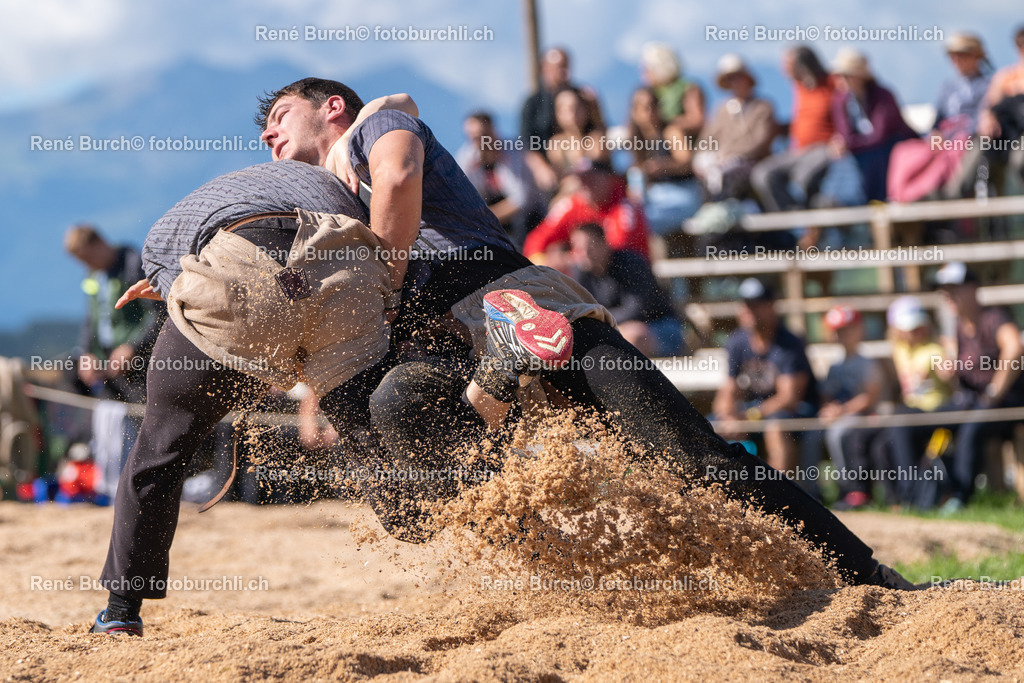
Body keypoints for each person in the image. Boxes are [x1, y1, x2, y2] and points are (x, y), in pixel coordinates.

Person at [90, 158, 586, 636]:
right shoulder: (347, 183)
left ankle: (120, 611)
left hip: (239, 267)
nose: (272, 141)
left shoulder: (193, 209)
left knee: (161, 448)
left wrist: (172, 284)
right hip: (343, 276)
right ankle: (550, 545)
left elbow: (178, 278)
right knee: (405, 480)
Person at [934, 262, 1024, 512]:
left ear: (973, 289)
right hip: (974, 403)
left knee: (971, 428)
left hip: (1007, 404)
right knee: (923, 420)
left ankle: (962, 497)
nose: (948, 296)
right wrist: (948, 369)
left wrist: (994, 392)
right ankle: (918, 495)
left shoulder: (994, 318)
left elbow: (1015, 348)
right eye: (945, 291)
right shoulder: (959, 327)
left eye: (954, 289)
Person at [713, 278, 819, 474]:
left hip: (798, 412)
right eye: (746, 305)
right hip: (755, 412)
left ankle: (780, 497)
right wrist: (727, 416)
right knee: (711, 428)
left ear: (771, 306)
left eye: (756, 305)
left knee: (775, 427)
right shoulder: (737, 341)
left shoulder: (789, 344)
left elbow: (789, 399)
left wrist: (748, 417)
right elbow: (727, 390)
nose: (749, 311)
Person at [869, 296, 953, 507]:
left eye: (918, 326)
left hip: (935, 412)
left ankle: (910, 494)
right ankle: (895, 501)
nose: (916, 331)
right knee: (881, 446)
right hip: (911, 413)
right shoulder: (900, 349)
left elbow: (946, 372)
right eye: (910, 327)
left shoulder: (934, 349)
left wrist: (946, 368)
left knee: (900, 421)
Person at [888, 33, 992, 203]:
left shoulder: (989, 83)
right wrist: (936, 133)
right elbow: (938, 117)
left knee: (957, 150)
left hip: (969, 137)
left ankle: (947, 195)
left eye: (962, 55)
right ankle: (906, 197)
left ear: (976, 56)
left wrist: (957, 134)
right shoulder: (948, 86)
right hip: (944, 138)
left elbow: (985, 115)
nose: (957, 60)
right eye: (953, 56)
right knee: (904, 152)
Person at [65, 224, 164, 403]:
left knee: (140, 411)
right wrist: (86, 353)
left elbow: (157, 315)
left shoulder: (134, 265)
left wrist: (132, 347)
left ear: (100, 243)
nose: (87, 265)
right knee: (69, 370)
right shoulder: (94, 276)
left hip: (139, 359)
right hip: (107, 360)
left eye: (88, 257)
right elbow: (91, 320)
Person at [809, 305, 885, 511]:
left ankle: (849, 488)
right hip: (840, 416)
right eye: (839, 330)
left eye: (847, 329)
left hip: (863, 416)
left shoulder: (867, 363)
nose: (843, 335)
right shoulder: (835, 366)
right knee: (812, 434)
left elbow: (869, 398)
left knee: (838, 434)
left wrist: (840, 411)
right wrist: (829, 409)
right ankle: (811, 490)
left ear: (859, 329)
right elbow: (827, 396)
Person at [568, 223, 684, 357]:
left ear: (604, 244)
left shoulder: (632, 263)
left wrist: (598, 321)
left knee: (633, 336)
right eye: (579, 248)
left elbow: (635, 310)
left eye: (590, 247)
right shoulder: (580, 271)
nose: (585, 253)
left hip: (661, 328)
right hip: (614, 329)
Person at [750, 46, 835, 212]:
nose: (783, 70)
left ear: (803, 65)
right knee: (763, 174)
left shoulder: (832, 83)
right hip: (797, 151)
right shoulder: (799, 88)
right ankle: (792, 216)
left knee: (803, 176)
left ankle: (812, 222)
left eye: (788, 65)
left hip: (824, 148)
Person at [829, 48, 916, 202]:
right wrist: (845, 145)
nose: (841, 80)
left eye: (846, 75)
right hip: (863, 151)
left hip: (891, 146)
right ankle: (836, 202)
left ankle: (872, 203)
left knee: (873, 157)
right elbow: (845, 134)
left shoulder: (883, 96)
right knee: (840, 161)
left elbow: (879, 136)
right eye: (839, 75)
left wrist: (849, 144)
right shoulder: (840, 100)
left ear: (860, 77)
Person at [523, 160, 650, 262]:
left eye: (592, 179)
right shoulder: (572, 205)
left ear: (609, 179)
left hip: (628, 278)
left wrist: (565, 259)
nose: (586, 185)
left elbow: (611, 253)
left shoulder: (625, 206)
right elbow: (536, 240)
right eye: (582, 180)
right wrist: (543, 261)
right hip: (591, 279)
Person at [948, 26, 1024, 198]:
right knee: (975, 159)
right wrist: (988, 117)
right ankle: (953, 201)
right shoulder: (1005, 76)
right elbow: (988, 106)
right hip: (1001, 137)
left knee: (1020, 160)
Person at [520, 47, 605, 195]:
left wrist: (595, 107)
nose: (563, 73)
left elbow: (599, 133)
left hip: (590, 171)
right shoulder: (533, 104)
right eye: (558, 68)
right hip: (553, 175)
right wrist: (541, 168)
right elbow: (527, 144)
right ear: (544, 69)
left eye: (566, 67)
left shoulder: (583, 96)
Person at [693, 54, 777, 201]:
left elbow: (760, 141)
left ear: (746, 78)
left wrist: (730, 155)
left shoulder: (762, 107)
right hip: (719, 165)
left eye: (737, 77)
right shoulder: (721, 110)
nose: (734, 82)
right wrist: (705, 159)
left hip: (751, 163)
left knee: (729, 177)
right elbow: (706, 140)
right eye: (729, 79)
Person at [456, 110, 544, 246]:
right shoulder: (466, 158)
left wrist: (486, 218)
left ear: (493, 131)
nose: (479, 142)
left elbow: (521, 201)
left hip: (529, 217)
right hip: (491, 216)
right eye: (473, 138)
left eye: (483, 136)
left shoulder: (514, 150)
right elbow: (461, 198)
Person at [624, 87, 703, 234]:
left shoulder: (671, 131)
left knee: (639, 223)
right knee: (626, 215)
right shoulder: (636, 139)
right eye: (644, 107)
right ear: (634, 112)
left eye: (653, 105)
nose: (650, 112)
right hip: (655, 197)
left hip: (682, 193)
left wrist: (662, 166)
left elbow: (686, 162)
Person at [640, 42, 705, 140]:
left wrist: (667, 124)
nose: (644, 74)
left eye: (647, 69)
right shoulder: (648, 93)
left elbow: (697, 120)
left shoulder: (688, 87)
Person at [545, 87, 610, 181]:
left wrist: (595, 106)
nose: (572, 113)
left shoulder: (597, 136)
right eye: (565, 109)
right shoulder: (555, 144)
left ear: (585, 109)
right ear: (557, 114)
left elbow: (597, 156)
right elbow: (559, 180)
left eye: (576, 107)